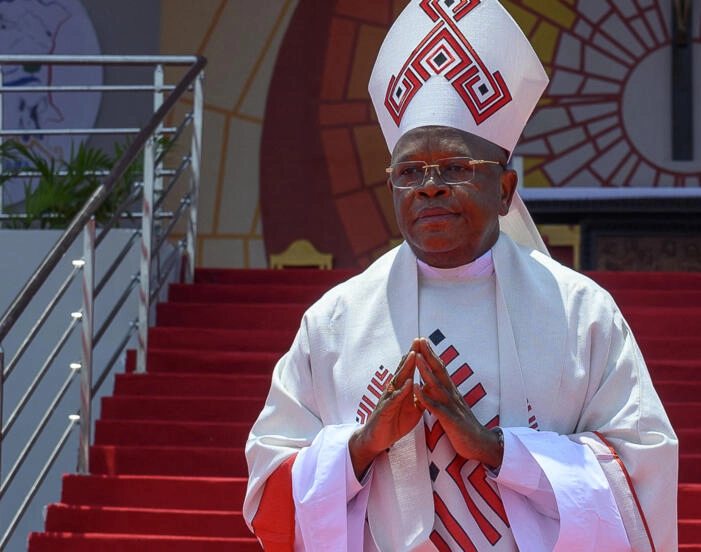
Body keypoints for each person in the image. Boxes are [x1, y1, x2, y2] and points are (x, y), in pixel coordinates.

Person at [244, 1, 678, 550]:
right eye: (409, 171)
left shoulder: (580, 312)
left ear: (504, 189)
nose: (429, 186)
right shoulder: (335, 321)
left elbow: (644, 472)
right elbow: (269, 488)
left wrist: (496, 450)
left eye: (454, 167)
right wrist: (361, 444)